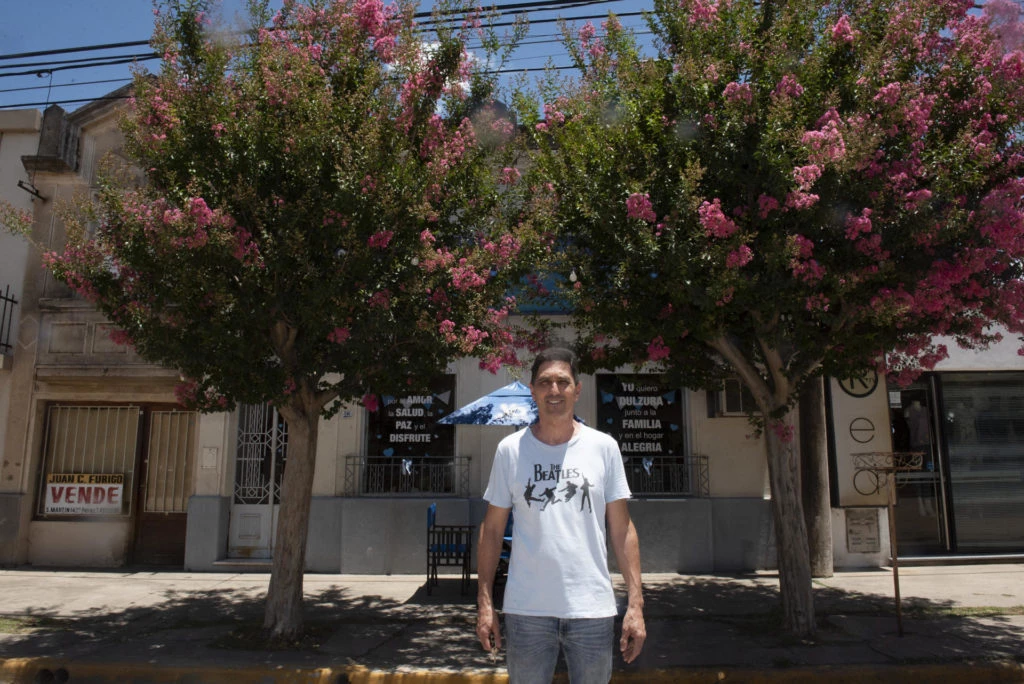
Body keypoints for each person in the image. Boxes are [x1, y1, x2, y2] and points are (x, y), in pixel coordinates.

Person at [476, 347, 646, 683]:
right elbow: (492, 531)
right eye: (545, 382)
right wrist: (484, 602)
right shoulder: (510, 451)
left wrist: (636, 605)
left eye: (562, 382)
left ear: (577, 389)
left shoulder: (603, 447)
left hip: (592, 610)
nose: (554, 390)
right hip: (526, 612)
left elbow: (622, 530)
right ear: (532, 390)